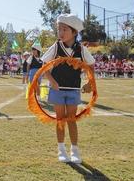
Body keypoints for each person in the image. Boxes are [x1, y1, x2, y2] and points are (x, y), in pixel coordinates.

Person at [41, 14, 95, 164]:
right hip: (58, 90)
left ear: (74, 32)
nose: (61, 32)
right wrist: (52, 81)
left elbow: (91, 65)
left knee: (71, 120)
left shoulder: (81, 49)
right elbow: (44, 66)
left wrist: (90, 83)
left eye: (64, 29)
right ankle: (61, 149)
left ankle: (74, 150)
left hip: (73, 89)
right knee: (60, 119)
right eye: (59, 29)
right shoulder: (56, 46)